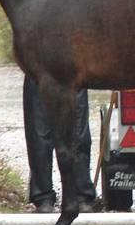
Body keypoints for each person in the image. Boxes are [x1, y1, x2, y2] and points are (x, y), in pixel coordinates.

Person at [23, 77, 98, 214]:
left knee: (77, 132)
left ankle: (80, 194)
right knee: (39, 133)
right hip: (41, 67)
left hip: (73, 69)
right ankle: (43, 196)